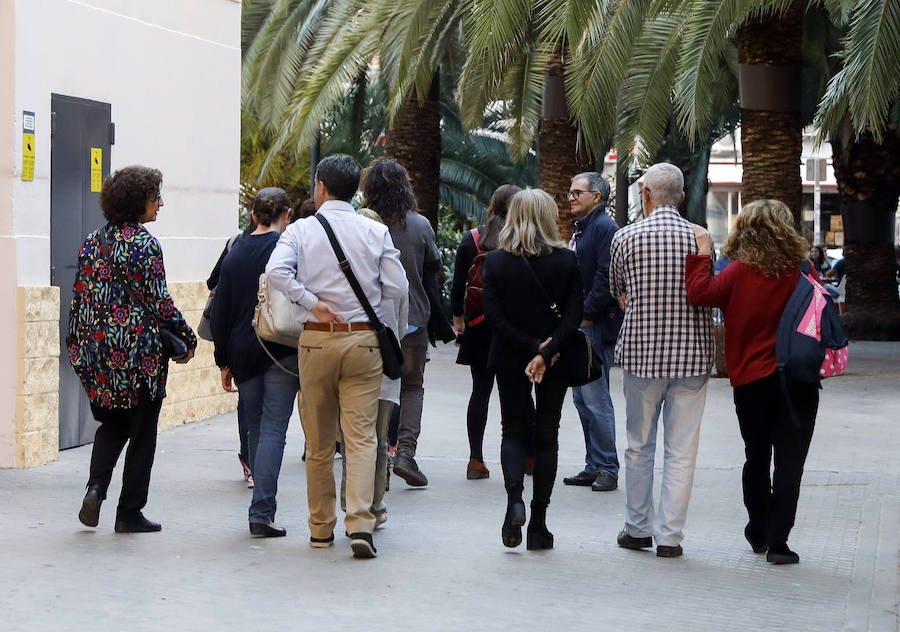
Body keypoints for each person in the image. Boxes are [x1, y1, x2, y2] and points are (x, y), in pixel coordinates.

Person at [266, 155, 407, 559]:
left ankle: (320, 529)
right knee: (362, 438)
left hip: (317, 341)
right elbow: (397, 288)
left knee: (319, 441)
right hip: (364, 342)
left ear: (321, 187)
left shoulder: (302, 230)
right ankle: (361, 523)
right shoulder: (375, 231)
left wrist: (312, 301)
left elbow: (277, 272)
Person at [686, 199, 820, 564]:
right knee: (791, 462)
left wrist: (701, 253)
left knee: (756, 457)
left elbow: (700, 294)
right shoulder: (803, 270)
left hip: (751, 381)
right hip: (799, 380)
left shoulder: (738, 272)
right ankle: (779, 543)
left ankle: (757, 529)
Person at [69, 165, 196, 533]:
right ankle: (128, 513)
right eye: (155, 198)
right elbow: (160, 303)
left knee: (112, 422)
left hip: (100, 352)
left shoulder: (92, 241)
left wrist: (78, 348)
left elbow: (80, 298)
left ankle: (95, 488)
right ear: (136, 202)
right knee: (142, 431)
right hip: (140, 356)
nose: (159, 205)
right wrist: (187, 338)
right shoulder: (146, 245)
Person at [609, 162, 714, 558]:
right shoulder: (699, 238)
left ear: (646, 195)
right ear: (682, 198)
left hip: (642, 355)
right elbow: (706, 285)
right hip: (691, 357)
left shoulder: (626, 237)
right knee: (681, 449)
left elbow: (615, 288)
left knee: (639, 445)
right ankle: (670, 538)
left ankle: (637, 529)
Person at [483, 188, 583, 550]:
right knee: (547, 434)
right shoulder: (567, 261)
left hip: (510, 355)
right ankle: (539, 524)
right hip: (555, 359)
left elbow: (493, 317)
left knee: (512, 429)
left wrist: (529, 349)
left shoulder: (495, 261)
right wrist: (548, 349)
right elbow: (574, 316)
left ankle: (514, 501)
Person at [210, 188, 299, 538]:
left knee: (255, 427)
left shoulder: (235, 253)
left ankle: (261, 509)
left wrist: (223, 361)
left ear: (252, 215)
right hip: (281, 348)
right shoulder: (289, 250)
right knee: (275, 431)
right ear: (287, 215)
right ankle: (262, 512)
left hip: (243, 352)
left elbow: (220, 312)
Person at [362, 159, 441, 488]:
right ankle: (405, 452)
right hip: (411, 322)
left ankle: (371, 458)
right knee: (410, 388)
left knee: (366, 390)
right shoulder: (419, 225)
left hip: (368, 323)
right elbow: (434, 266)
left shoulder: (361, 225)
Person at [339, 207, 409, 527]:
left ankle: (348, 499)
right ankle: (375, 504)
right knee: (379, 439)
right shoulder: (394, 271)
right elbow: (403, 321)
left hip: (350, 359)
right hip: (383, 363)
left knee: (353, 436)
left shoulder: (342, 272)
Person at [451, 184, 521, 480]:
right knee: (516, 394)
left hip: (478, 325)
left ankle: (475, 460)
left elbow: (456, 285)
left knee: (480, 391)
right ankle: (523, 458)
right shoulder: (522, 239)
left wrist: (458, 319)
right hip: (514, 327)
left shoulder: (474, 239)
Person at [562, 172, 624, 492]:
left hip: (594, 326)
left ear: (596, 197)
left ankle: (608, 468)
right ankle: (593, 464)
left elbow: (606, 280)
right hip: (579, 326)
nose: (570, 197)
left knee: (596, 399)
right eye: (570, 192)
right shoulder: (585, 228)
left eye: (577, 192)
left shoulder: (604, 228)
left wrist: (584, 315)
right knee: (582, 399)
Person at [205, 221, 255, 486]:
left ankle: (250, 463)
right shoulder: (284, 247)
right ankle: (262, 465)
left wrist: (222, 359)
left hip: (239, 339)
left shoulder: (236, 246)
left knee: (246, 402)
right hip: (275, 340)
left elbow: (213, 282)